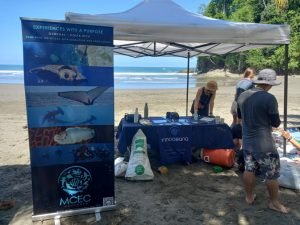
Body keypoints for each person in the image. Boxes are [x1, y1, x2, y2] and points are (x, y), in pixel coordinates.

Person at [237, 68, 289, 213]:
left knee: (249, 169)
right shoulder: (269, 98)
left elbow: (240, 117)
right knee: (272, 173)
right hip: (264, 143)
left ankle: (249, 196)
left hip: (247, 141)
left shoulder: (242, 95)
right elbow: (276, 123)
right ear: (270, 84)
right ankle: (274, 202)